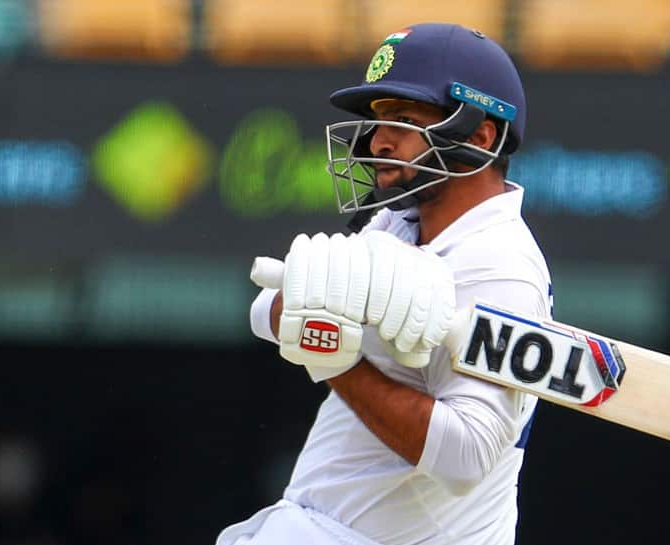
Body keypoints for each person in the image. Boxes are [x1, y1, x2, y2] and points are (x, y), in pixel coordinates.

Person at [217, 23, 552, 545]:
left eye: (403, 119)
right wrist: (308, 322)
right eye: (378, 120)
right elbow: (268, 311)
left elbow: (466, 457)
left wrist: (337, 360)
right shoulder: (400, 222)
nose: (378, 140)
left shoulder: (502, 266)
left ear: (481, 136)